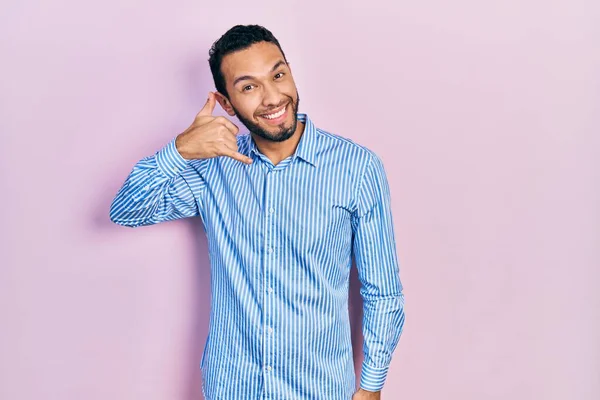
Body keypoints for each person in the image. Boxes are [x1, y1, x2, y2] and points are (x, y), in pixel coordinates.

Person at [110, 24, 405, 400]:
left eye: (278, 75)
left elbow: (383, 292)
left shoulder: (357, 168)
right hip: (233, 386)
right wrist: (180, 150)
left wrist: (371, 386)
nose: (272, 97)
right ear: (227, 104)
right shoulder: (212, 169)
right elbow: (126, 210)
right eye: (249, 86)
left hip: (320, 388)